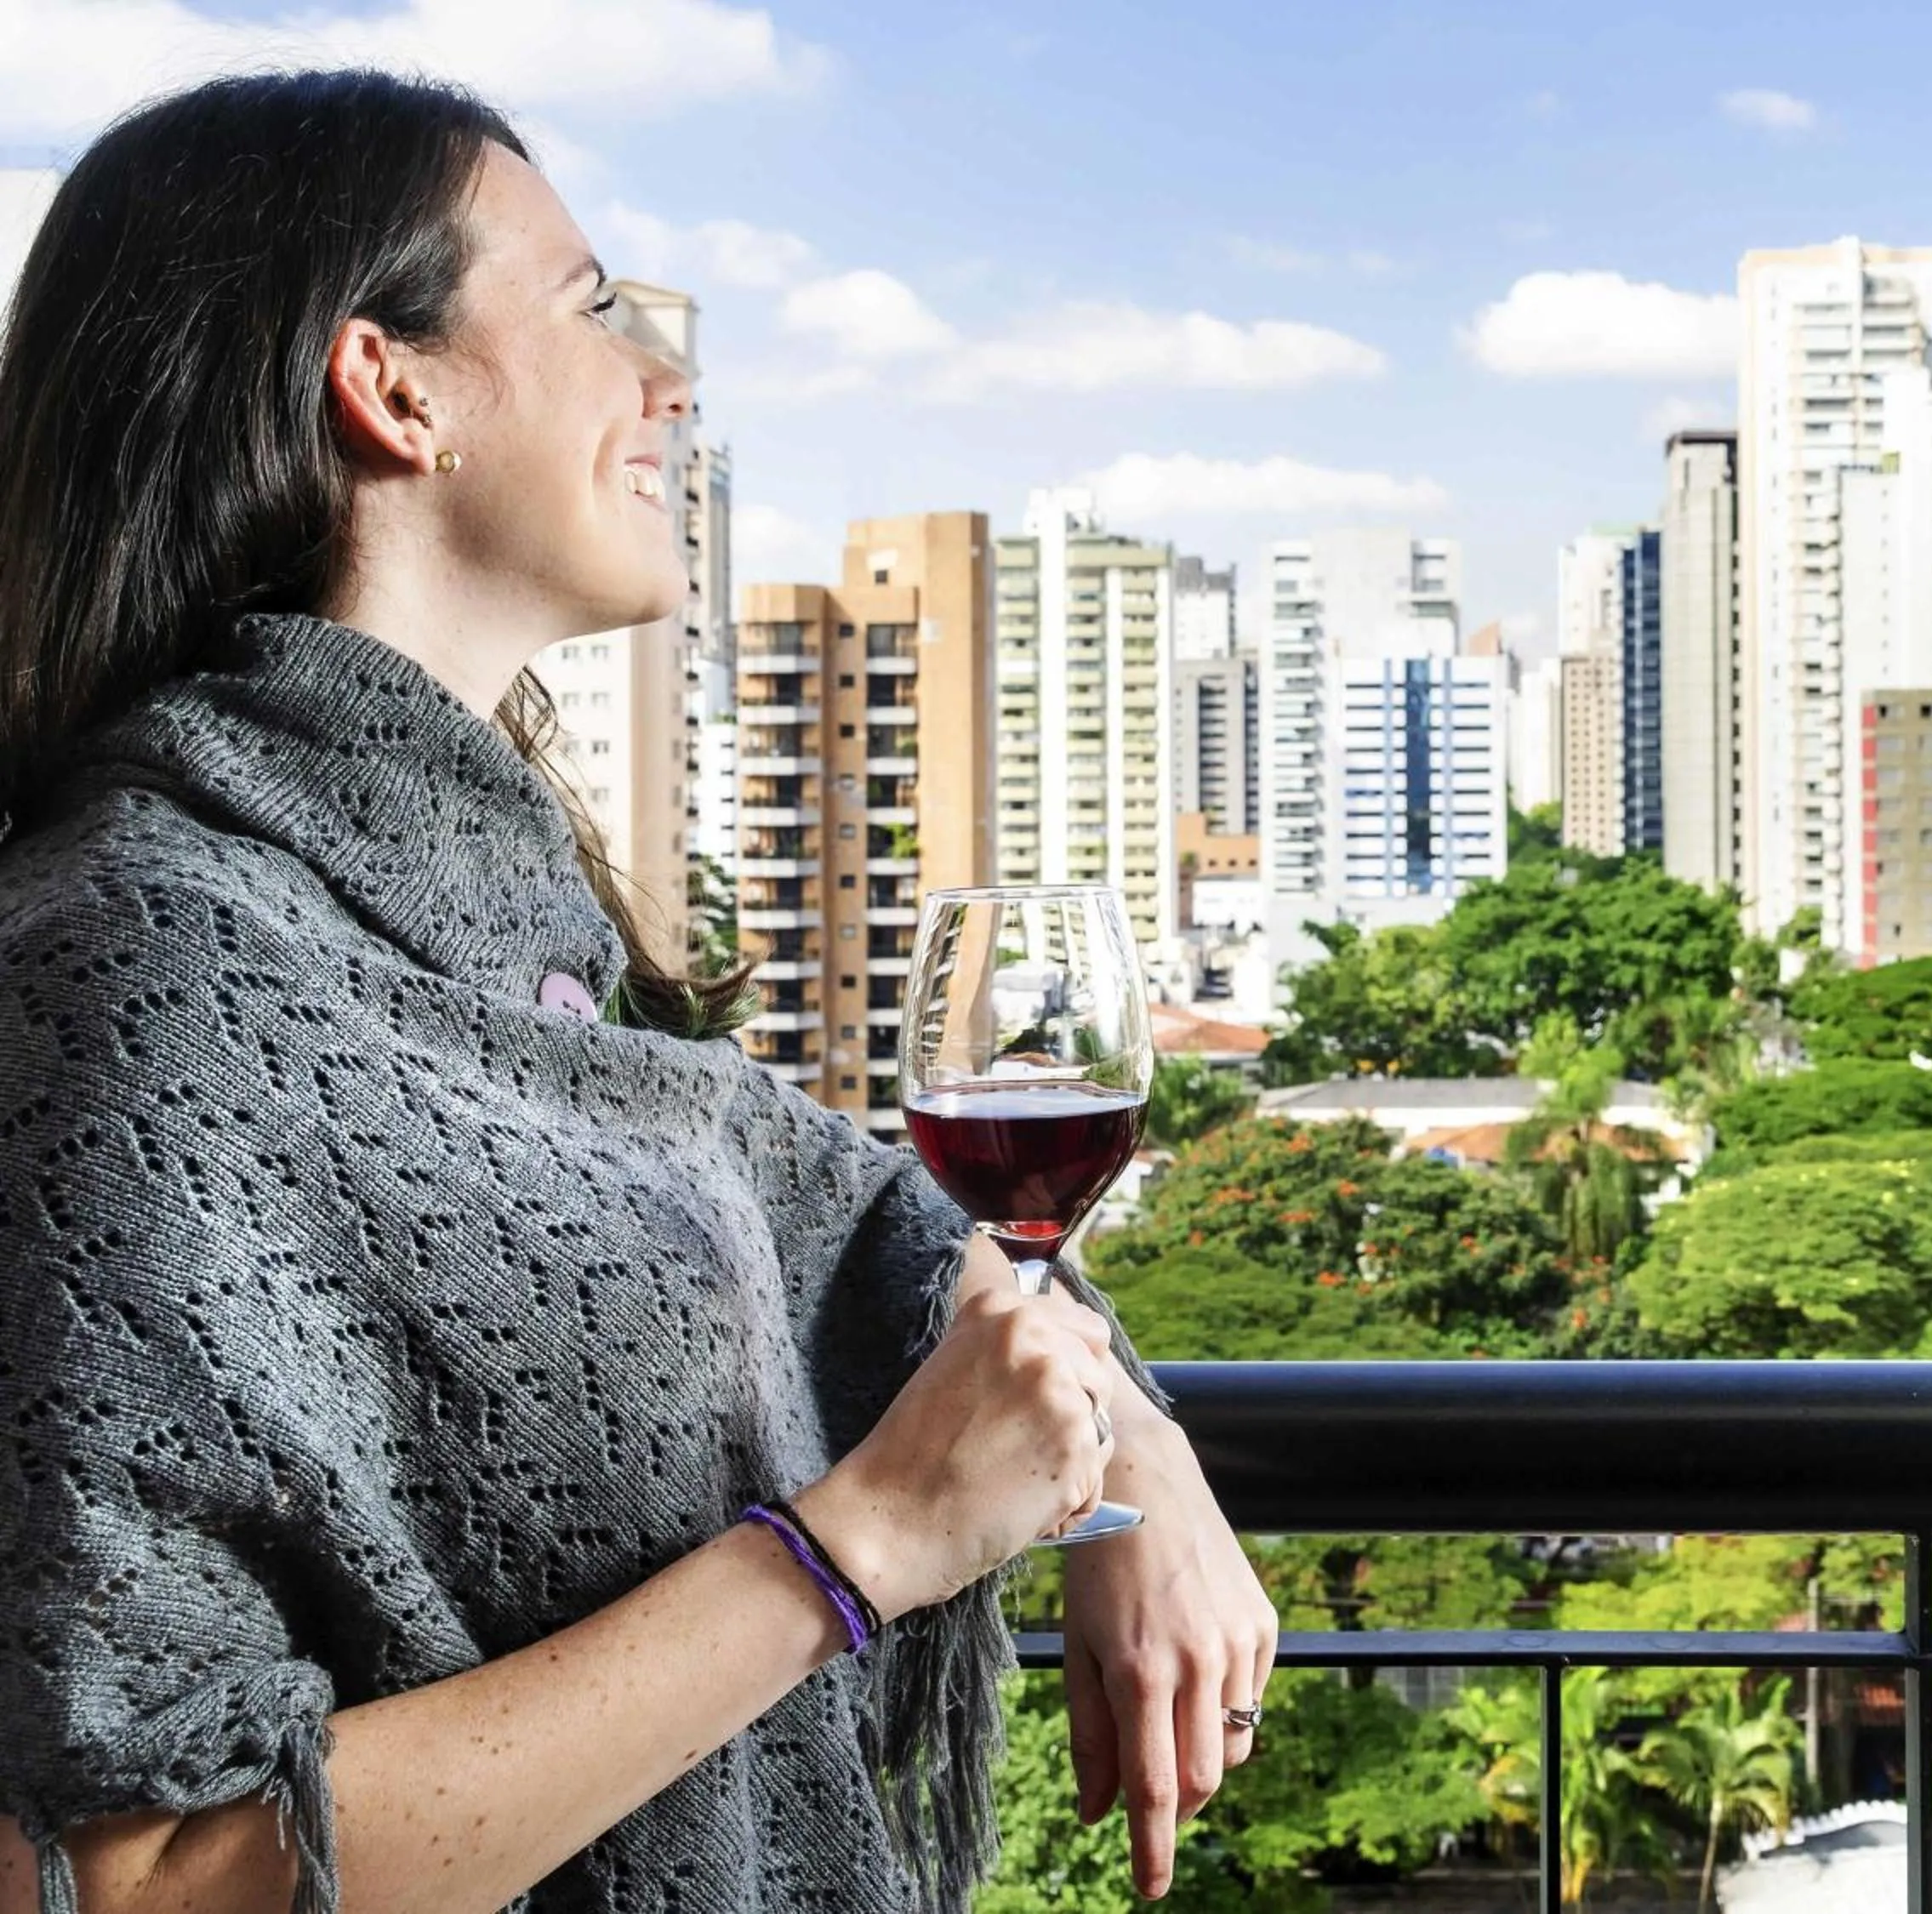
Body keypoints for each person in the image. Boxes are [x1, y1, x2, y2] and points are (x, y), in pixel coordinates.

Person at [0, 67, 1278, 1914]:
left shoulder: (484, 948)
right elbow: (139, 1881)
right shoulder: (138, 981)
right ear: (393, 384)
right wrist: (861, 1549)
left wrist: (1130, 1460)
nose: (665, 385)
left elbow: (861, 1221)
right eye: (594, 306)